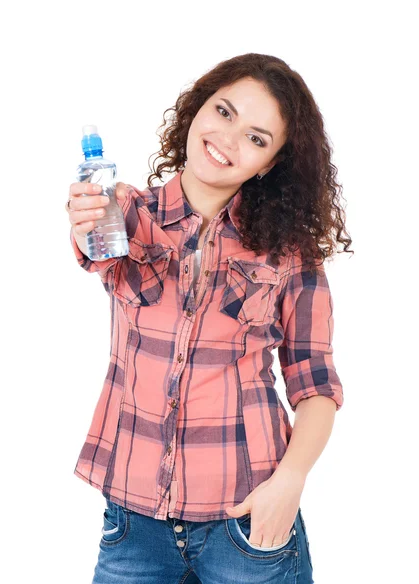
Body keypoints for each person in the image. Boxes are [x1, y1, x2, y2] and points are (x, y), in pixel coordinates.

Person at [66, 52, 353, 584]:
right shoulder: (126, 213)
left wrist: (288, 484)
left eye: (257, 137)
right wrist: (83, 221)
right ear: (199, 107)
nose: (228, 138)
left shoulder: (290, 254)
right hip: (134, 524)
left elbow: (315, 384)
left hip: (247, 522)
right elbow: (94, 249)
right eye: (224, 112)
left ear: (269, 162)